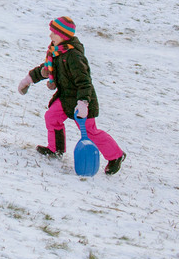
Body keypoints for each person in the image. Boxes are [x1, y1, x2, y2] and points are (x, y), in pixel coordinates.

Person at [18, 16, 126, 175]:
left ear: (63, 35)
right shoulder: (56, 51)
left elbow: (84, 82)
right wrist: (29, 79)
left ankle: (116, 156)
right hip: (65, 97)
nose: (50, 36)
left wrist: (83, 103)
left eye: (53, 33)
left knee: (90, 131)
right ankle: (56, 149)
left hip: (82, 99)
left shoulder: (74, 56)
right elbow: (47, 69)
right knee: (52, 117)